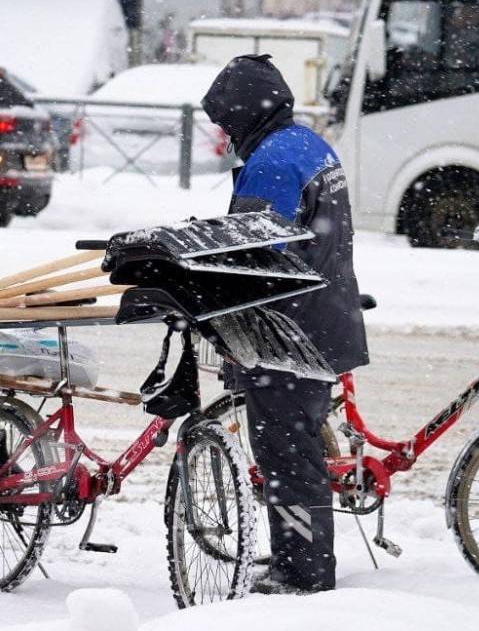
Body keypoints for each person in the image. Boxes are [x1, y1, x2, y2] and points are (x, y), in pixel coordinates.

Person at [201, 54, 369, 594]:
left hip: (287, 338)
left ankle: (303, 574)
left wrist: (211, 292)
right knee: (297, 452)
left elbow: (252, 254)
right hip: (323, 320)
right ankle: (298, 559)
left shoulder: (272, 161)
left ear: (245, 115)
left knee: (287, 457)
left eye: (226, 122)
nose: (225, 135)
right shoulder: (310, 145)